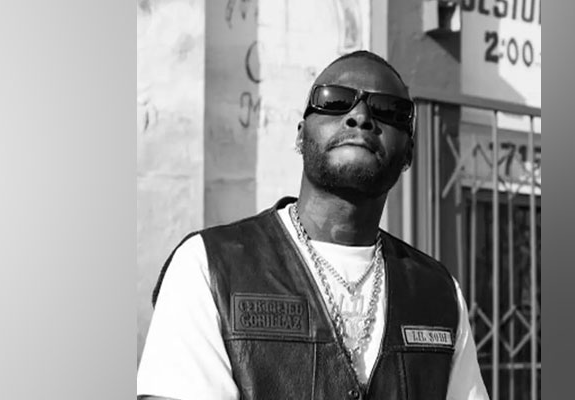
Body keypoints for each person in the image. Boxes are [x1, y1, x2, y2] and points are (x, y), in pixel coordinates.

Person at [137, 50, 490, 400]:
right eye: (335, 101)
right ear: (300, 135)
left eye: (388, 110)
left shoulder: (437, 293)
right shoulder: (209, 265)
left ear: (408, 154)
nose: (360, 116)